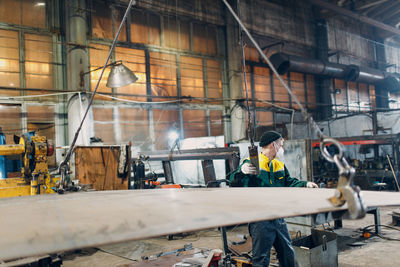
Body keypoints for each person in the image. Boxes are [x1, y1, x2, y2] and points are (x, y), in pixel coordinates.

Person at [229, 131, 318, 267]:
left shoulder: (278, 165)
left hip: (278, 217)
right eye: (281, 144)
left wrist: (305, 184)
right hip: (260, 220)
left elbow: (289, 182)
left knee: (288, 254)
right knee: (261, 258)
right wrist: (241, 170)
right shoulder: (252, 163)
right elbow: (233, 182)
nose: (282, 148)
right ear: (273, 144)